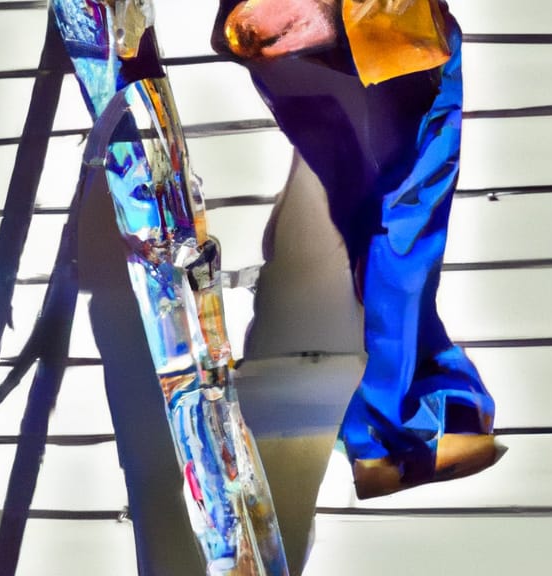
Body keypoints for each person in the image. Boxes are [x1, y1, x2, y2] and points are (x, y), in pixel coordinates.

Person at [211, 0, 497, 498]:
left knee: (372, 220)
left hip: (277, 38)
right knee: (402, 224)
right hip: (375, 33)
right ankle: (382, 430)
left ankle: (445, 403)